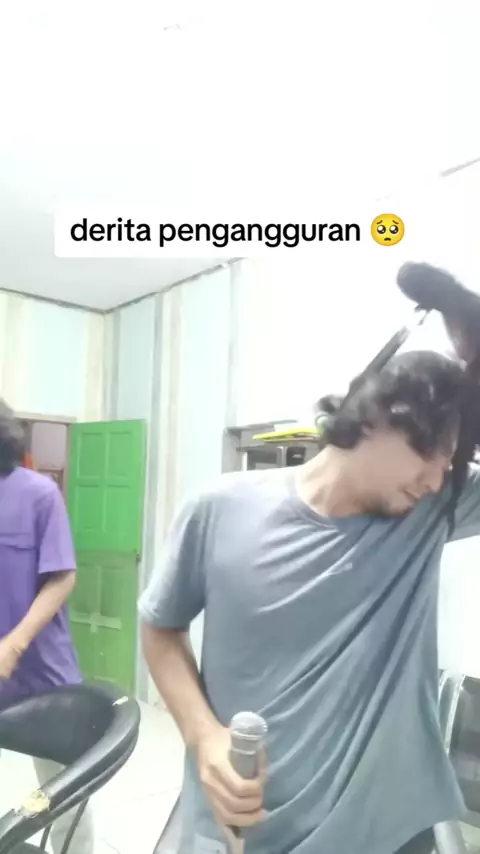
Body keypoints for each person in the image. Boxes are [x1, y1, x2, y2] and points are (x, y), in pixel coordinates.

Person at [0, 402, 93, 854]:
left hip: (41, 676)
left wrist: (14, 644)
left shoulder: (39, 494)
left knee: (64, 796)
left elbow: (62, 578)